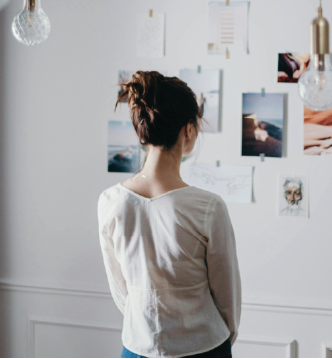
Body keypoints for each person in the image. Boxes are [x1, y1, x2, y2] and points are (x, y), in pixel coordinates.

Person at [97, 71, 242, 359]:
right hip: (205, 347)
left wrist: (149, 328)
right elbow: (228, 299)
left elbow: (121, 291)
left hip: (136, 347)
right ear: (188, 129)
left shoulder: (110, 202)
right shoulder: (208, 207)